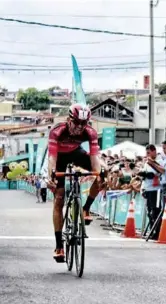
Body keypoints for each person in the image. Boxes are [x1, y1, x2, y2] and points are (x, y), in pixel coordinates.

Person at [47, 103, 102, 262]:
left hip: (76, 153)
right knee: (59, 199)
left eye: (83, 124)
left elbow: (94, 158)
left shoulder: (90, 133)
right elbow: (52, 157)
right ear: (68, 119)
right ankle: (59, 246)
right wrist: (51, 175)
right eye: (76, 122)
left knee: (102, 176)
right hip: (59, 158)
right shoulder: (57, 130)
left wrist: (97, 174)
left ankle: (85, 209)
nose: (79, 127)